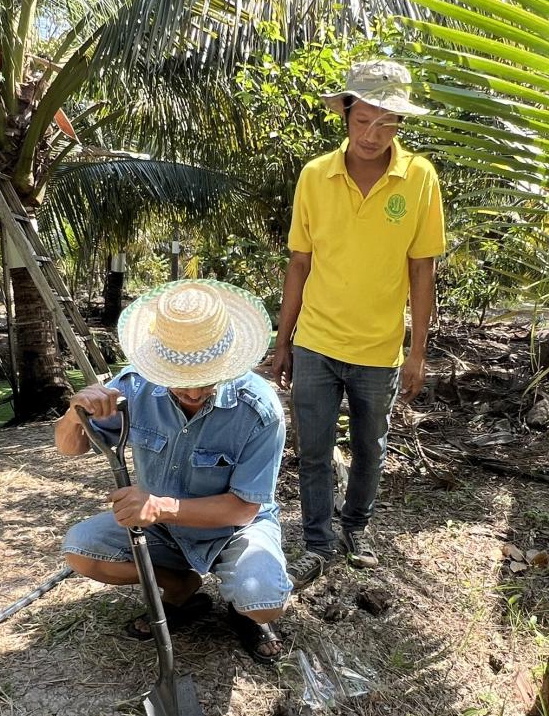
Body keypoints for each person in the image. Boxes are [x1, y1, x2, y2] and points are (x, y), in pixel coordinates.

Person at [272, 58, 446, 588]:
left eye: (387, 121)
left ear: (401, 123)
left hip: (379, 347)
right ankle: (319, 544)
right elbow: (299, 263)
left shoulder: (418, 178)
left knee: (372, 447)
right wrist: (284, 343)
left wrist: (417, 350)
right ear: (345, 114)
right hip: (317, 342)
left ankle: (356, 529)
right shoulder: (314, 176)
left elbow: (422, 268)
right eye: (364, 119)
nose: (373, 134)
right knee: (315, 449)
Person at [55, 279, 292, 661]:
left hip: (234, 530)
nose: (194, 394)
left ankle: (241, 609)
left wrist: (160, 506)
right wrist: (74, 412)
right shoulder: (134, 387)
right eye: (180, 383)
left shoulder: (260, 410)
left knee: (263, 600)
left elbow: (242, 509)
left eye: (206, 380)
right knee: (81, 551)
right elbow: (70, 448)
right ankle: (180, 586)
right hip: (161, 529)